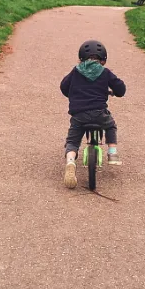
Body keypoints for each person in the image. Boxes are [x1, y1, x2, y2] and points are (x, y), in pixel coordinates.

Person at [60, 40, 126, 188]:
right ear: (103, 59)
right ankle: (112, 152)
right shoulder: (105, 72)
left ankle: (70, 162)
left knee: (72, 141)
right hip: (99, 113)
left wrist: (72, 94)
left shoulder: (76, 71)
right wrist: (115, 91)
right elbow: (121, 89)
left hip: (79, 115)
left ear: (81, 58)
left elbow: (64, 86)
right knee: (110, 125)